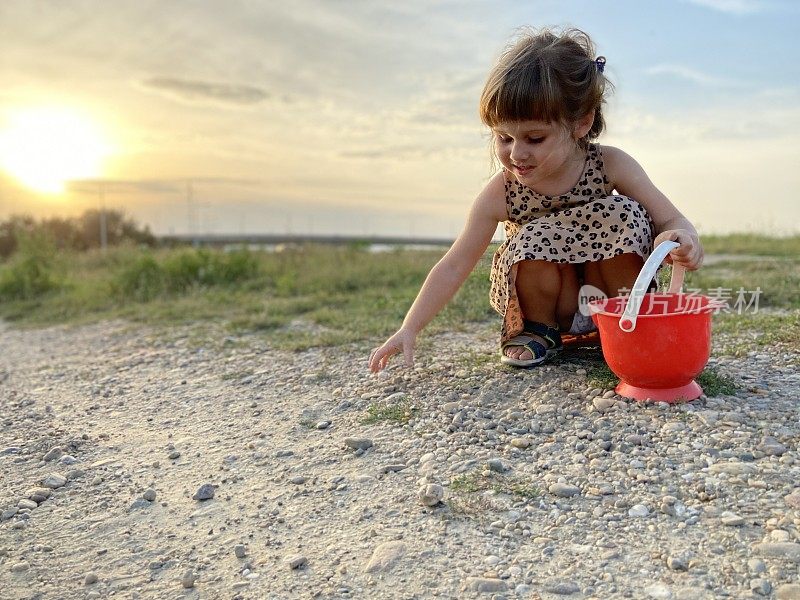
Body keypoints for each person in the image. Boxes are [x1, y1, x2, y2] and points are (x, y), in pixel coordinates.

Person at [368, 27, 703, 373]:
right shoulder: (502, 191)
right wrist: (410, 327)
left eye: (534, 138)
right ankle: (538, 331)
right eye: (503, 138)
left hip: (605, 295)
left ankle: (624, 321)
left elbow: (671, 220)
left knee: (624, 212)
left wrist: (681, 239)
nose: (516, 153)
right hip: (553, 303)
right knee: (536, 234)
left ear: (581, 123)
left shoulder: (610, 164)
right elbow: (454, 264)